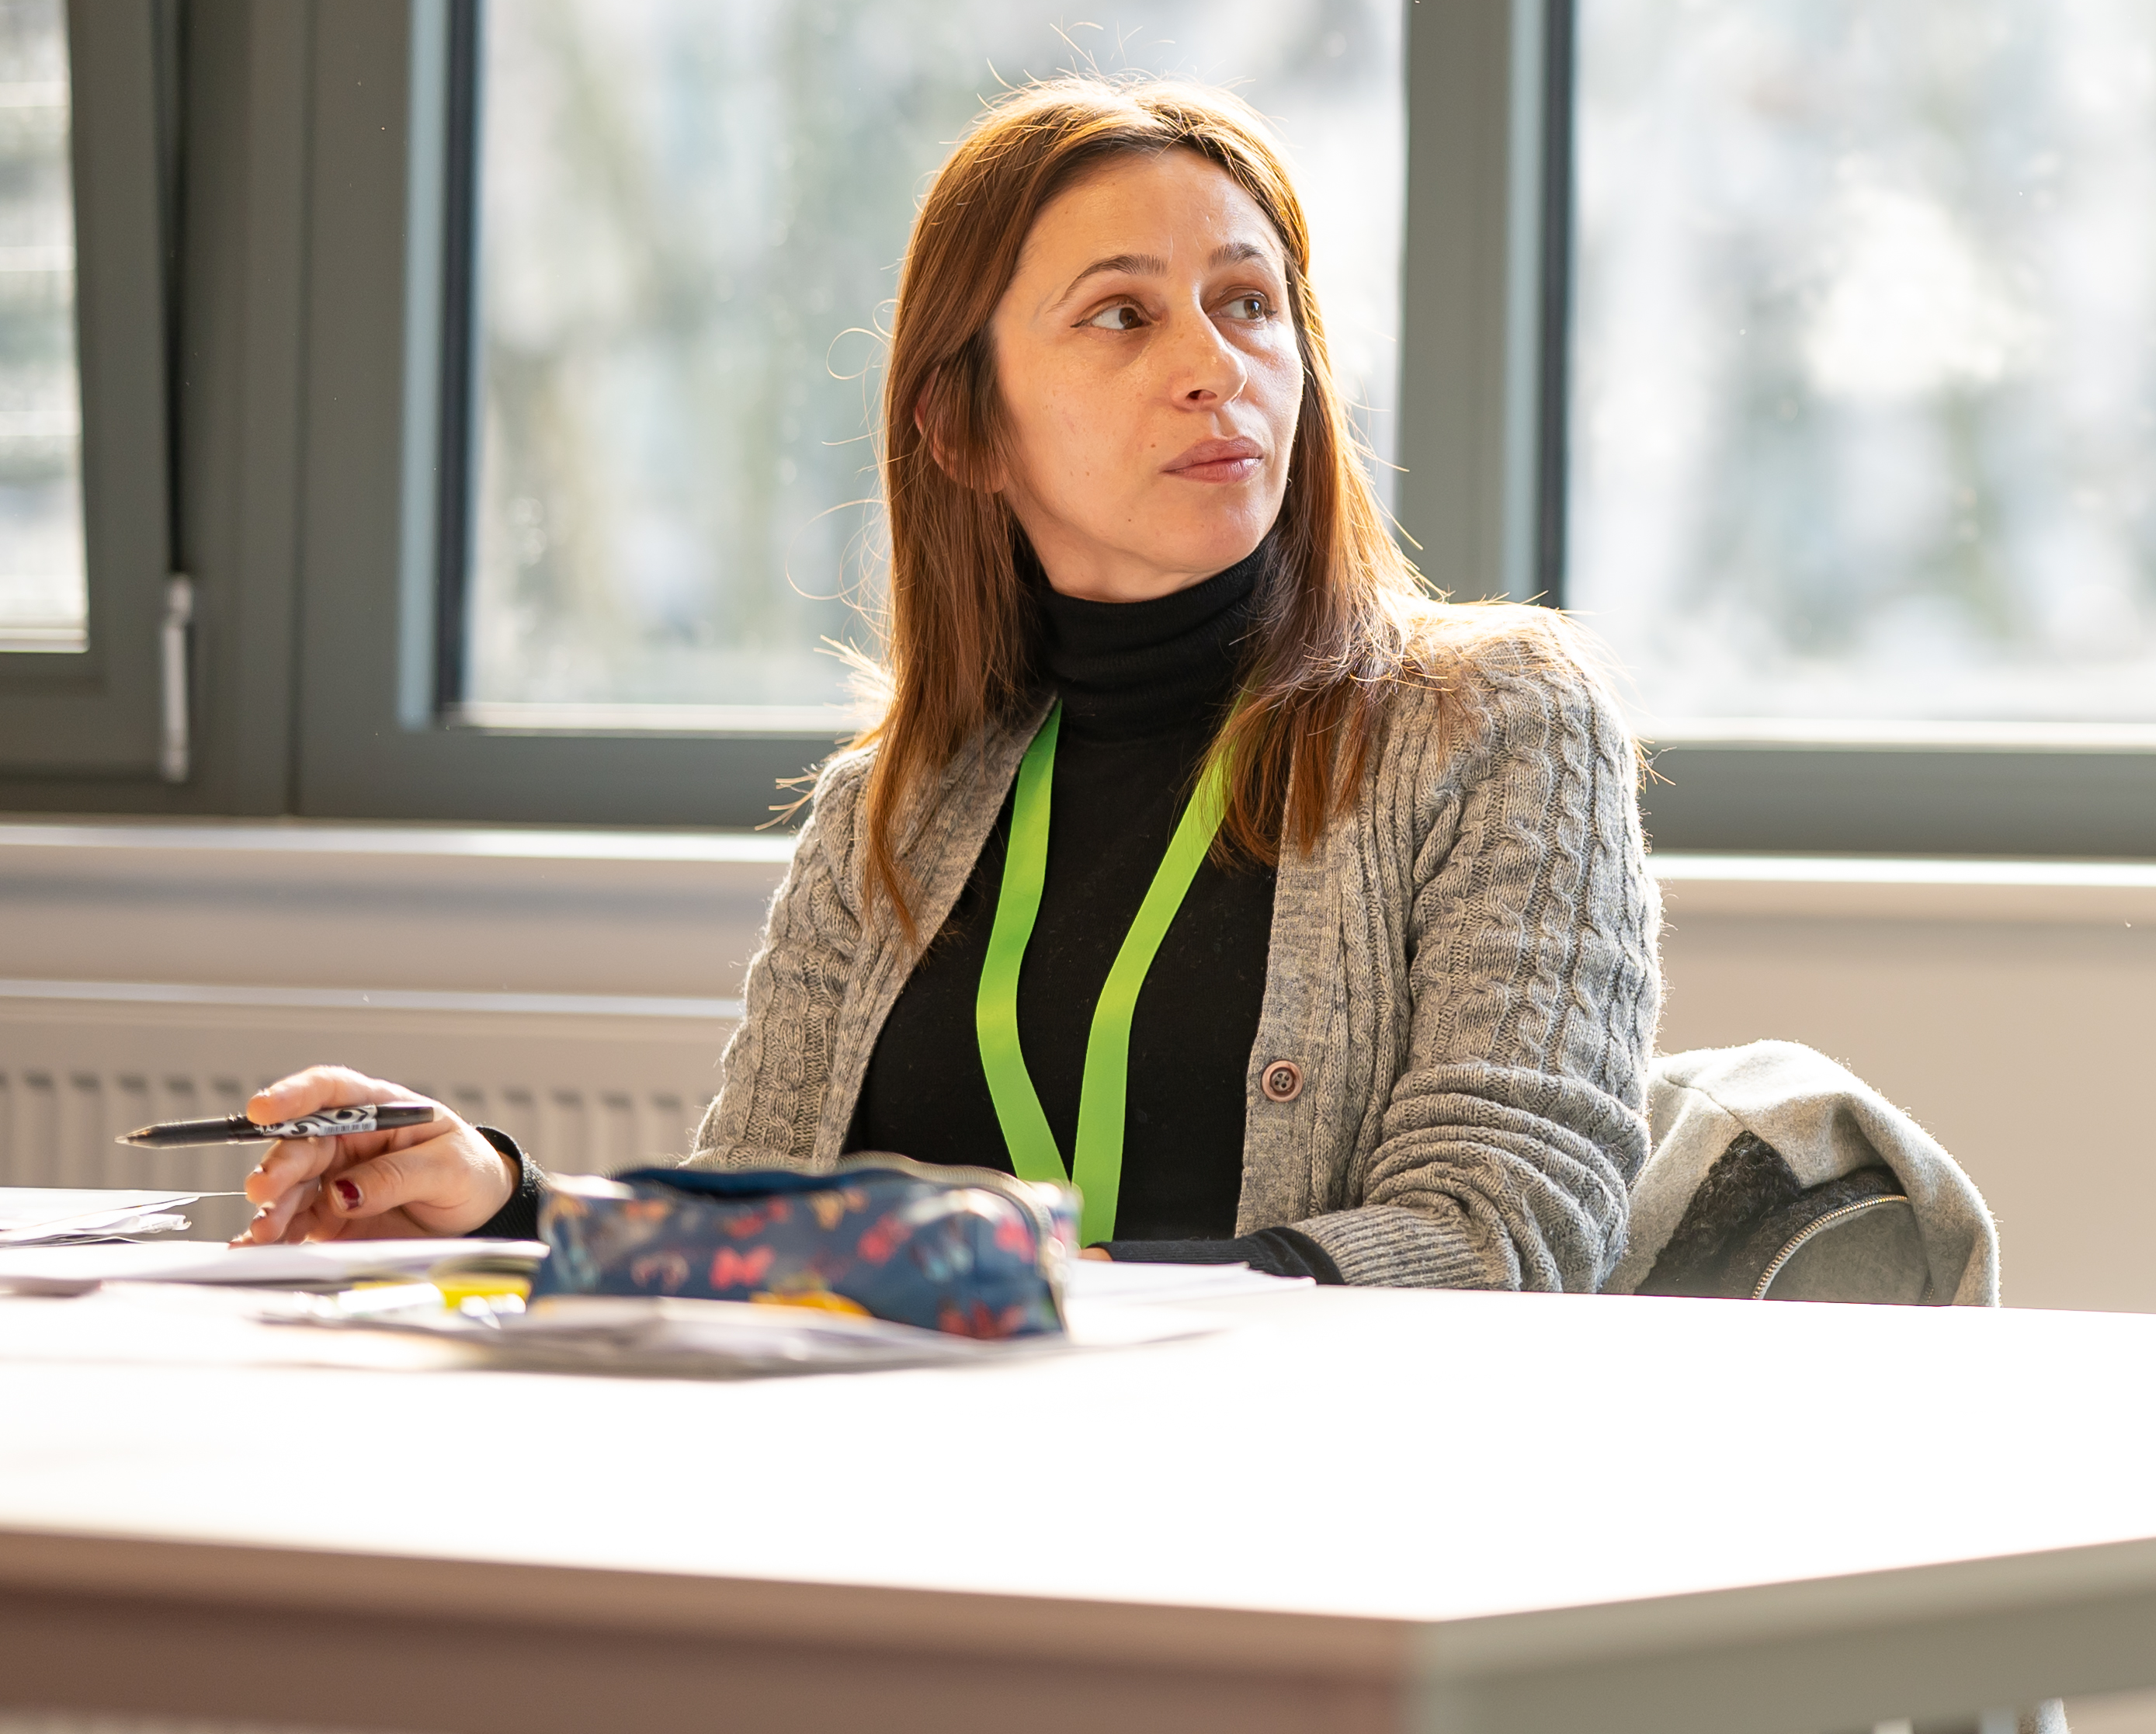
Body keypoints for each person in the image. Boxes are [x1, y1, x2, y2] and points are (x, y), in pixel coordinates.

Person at [239, 78, 1661, 1288]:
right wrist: (502, 1196)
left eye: (1247, 304)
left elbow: (1505, 1231)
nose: (1213, 366)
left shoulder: (1497, 721)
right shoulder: (893, 802)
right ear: (965, 423)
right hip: (906, 1509)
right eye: (1122, 316)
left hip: (1281, 1524)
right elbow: (761, 1220)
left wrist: (1060, 1297)